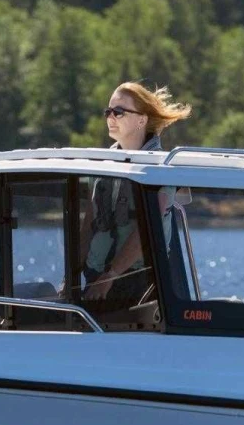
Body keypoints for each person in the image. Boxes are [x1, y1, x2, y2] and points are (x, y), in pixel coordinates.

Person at [81, 82, 191, 302]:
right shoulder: (101, 165)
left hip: (137, 283)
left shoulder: (159, 169)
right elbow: (89, 223)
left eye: (119, 112)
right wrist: (71, 275)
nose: (110, 117)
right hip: (95, 277)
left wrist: (111, 275)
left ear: (142, 120)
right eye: (108, 112)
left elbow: (148, 230)